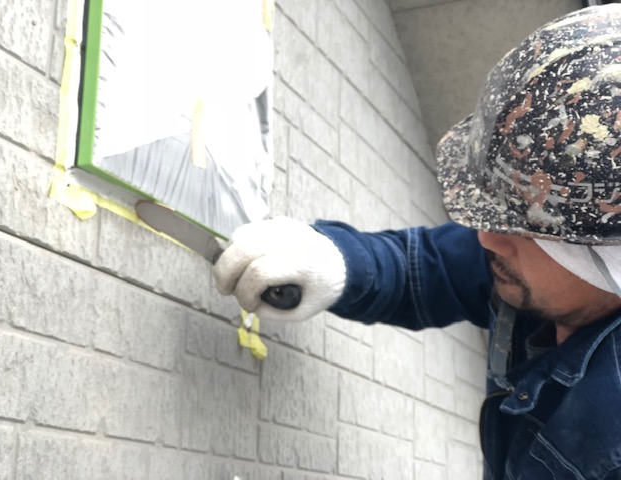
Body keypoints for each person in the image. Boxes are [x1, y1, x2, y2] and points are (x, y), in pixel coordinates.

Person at [213, 5, 621, 479]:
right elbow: (435, 268)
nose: (487, 237)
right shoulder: (544, 268)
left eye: (531, 231)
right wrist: (340, 264)